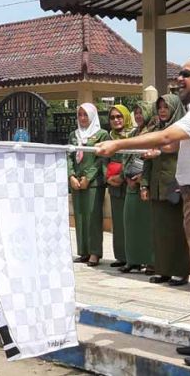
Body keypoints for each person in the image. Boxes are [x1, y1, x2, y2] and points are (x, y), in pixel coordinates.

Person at [97, 57, 190, 368]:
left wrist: (118, 145)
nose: (179, 79)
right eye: (180, 73)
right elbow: (174, 144)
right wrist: (160, 151)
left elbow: (165, 136)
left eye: (187, 74)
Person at [140, 94, 190, 287]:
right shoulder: (155, 130)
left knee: (177, 232)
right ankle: (163, 270)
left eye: (166, 107)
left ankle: (180, 271)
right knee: (160, 232)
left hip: (175, 186)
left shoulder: (183, 131)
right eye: (159, 107)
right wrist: (145, 184)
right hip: (157, 187)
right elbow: (147, 161)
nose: (162, 111)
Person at [68, 103, 108, 267]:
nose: (83, 118)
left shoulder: (101, 135)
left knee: (93, 217)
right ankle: (83, 251)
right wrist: (71, 175)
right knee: (80, 217)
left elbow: (101, 159)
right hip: (76, 182)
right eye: (80, 115)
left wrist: (88, 177)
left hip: (93, 183)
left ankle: (94, 252)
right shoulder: (74, 135)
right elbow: (69, 156)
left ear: (92, 116)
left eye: (86, 115)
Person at [122, 101, 155, 274]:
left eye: (141, 112)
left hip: (145, 185)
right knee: (131, 223)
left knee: (146, 226)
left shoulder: (153, 133)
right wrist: (126, 176)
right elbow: (125, 156)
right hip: (130, 185)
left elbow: (152, 160)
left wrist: (142, 179)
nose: (138, 116)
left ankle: (150, 261)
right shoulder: (133, 133)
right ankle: (133, 260)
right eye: (135, 113)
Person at [105, 105, 132, 269]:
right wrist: (108, 178)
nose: (116, 120)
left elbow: (134, 159)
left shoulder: (133, 136)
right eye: (113, 117)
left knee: (131, 222)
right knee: (118, 222)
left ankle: (134, 257)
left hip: (129, 183)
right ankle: (121, 256)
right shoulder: (108, 138)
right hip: (113, 184)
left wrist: (122, 176)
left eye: (119, 116)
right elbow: (102, 160)